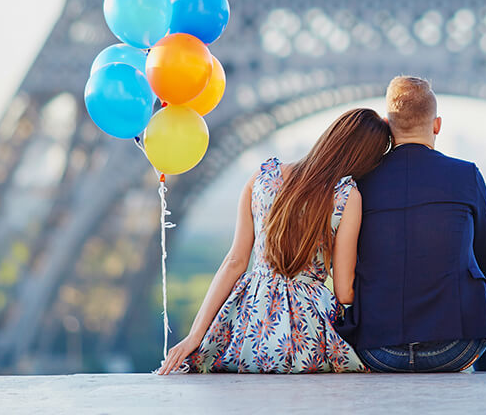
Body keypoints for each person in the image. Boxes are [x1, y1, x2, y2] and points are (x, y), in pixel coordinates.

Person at [156, 107, 390, 374]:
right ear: (368, 161)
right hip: (307, 332)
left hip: (250, 324)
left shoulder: (263, 177)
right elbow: (344, 291)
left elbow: (234, 262)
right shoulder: (347, 196)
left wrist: (194, 336)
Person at [343, 76, 486, 372]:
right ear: (437, 125)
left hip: (378, 349)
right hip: (455, 346)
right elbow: (485, 262)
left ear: (386, 123)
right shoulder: (466, 175)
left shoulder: (359, 182)